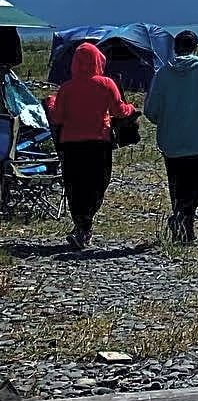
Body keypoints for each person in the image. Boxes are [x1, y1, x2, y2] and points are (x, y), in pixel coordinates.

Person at [45, 42, 137, 250]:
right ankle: (85, 223)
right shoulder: (106, 84)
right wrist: (131, 108)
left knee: (75, 186)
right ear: (98, 61)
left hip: (71, 144)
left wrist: (51, 103)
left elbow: (57, 116)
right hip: (98, 142)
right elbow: (119, 111)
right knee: (97, 184)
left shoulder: (66, 88)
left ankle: (81, 224)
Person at [143, 30, 198, 244]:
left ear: (175, 48)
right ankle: (184, 220)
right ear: (196, 47)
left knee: (177, 188)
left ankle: (183, 226)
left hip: (171, 143)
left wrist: (164, 122)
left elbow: (150, 109)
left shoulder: (162, 73)